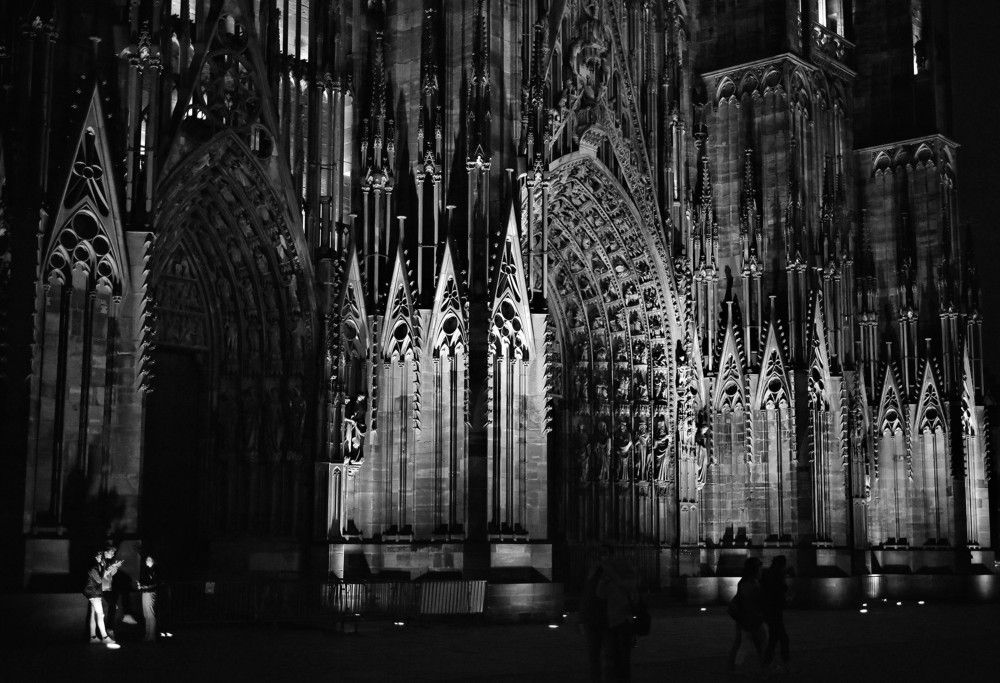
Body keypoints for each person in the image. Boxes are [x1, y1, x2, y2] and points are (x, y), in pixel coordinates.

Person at [595, 549, 639, 681]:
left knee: (616, 656)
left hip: (617, 622)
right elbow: (635, 600)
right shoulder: (627, 581)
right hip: (622, 621)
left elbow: (600, 594)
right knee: (622, 657)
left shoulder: (616, 581)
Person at [727, 557, 767, 674]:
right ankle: (735, 668)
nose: (761, 571)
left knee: (743, 645)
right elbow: (750, 603)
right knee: (756, 645)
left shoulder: (745, 582)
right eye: (760, 569)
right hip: (751, 620)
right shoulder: (750, 584)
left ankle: (733, 668)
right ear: (755, 570)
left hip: (745, 619)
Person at [579, 546, 611, 681]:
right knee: (598, 657)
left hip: (602, 620)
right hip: (599, 620)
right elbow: (587, 598)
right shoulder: (597, 573)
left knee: (600, 657)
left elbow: (587, 598)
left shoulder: (601, 573)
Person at [84, 550, 120, 647]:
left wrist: (109, 569)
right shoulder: (94, 567)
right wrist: (108, 569)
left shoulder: (96, 566)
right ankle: (105, 637)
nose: (100, 559)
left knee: (94, 614)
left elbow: (102, 577)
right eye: (99, 557)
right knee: (100, 615)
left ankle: (93, 637)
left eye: (100, 557)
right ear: (95, 558)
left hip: (94, 593)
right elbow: (99, 580)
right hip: (94, 593)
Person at [762, 556, 790, 671]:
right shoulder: (777, 575)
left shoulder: (768, 573)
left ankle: (767, 663)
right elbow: (780, 590)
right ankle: (784, 663)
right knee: (782, 638)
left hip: (768, 610)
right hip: (774, 610)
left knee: (774, 638)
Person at [137, 553, 162, 642]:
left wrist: (144, 586)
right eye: (147, 559)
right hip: (145, 593)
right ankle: (148, 634)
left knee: (150, 614)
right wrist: (141, 585)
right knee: (146, 614)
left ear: (153, 561)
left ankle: (152, 635)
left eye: (149, 559)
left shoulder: (155, 570)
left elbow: (155, 583)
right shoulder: (147, 570)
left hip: (150, 593)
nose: (147, 561)